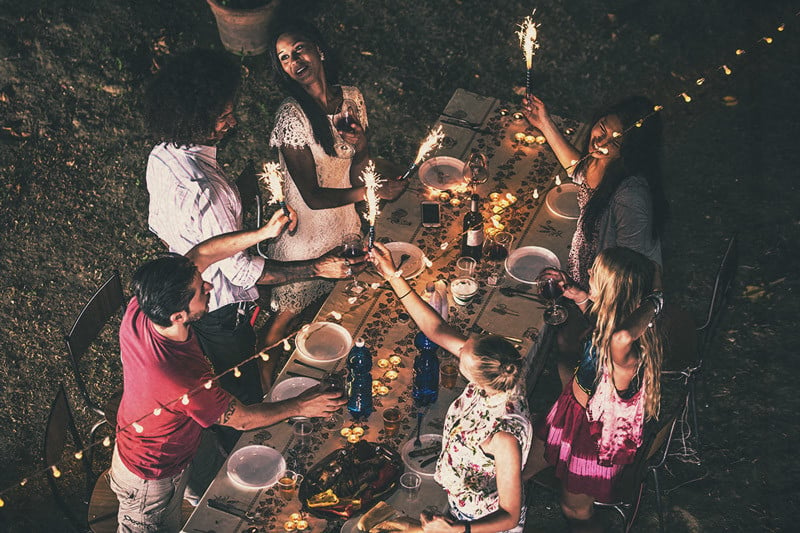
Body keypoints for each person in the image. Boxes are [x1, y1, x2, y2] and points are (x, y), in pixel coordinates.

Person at [144, 48, 361, 404]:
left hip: (189, 288)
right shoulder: (207, 192)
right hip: (221, 310)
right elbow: (247, 275)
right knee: (240, 389)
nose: (232, 123)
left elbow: (166, 226)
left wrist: (248, 227)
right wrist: (317, 267)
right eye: (223, 117)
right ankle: (241, 437)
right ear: (194, 118)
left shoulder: (162, 154)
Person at [110, 212, 347, 533]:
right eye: (200, 289)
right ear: (180, 315)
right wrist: (302, 406)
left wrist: (264, 232)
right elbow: (244, 419)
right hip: (152, 474)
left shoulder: (143, 309)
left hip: (188, 437)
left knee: (214, 501)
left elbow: (203, 254)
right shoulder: (180, 380)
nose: (208, 284)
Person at [370, 242, 532, 533]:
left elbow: (509, 514)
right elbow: (435, 329)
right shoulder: (502, 370)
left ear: (477, 376)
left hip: (483, 522)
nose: (458, 346)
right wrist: (393, 275)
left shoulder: (504, 438)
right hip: (459, 506)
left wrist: (457, 530)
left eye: (463, 353)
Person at [263, 19, 406, 348]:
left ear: (320, 50)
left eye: (299, 50)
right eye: (284, 58)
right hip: (307, 235)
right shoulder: (291, 117)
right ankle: (264, 383)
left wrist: (360, 145)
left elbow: (358, 167)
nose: (295, 61)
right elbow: (311, 197)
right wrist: (370, 192)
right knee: (284, 321)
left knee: (349, 305)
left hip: (346, 225)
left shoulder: (351, 98)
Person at [522, 247, 665, 533]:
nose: (588, 274)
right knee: (521, 465)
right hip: (569, 414)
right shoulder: (613, 323)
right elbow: (605, 321)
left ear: (613, 291)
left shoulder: (625, 354)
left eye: (595, 274)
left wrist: (655, 302)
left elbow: (620, 336)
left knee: (574, 508)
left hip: (592, 439)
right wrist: (578, 295)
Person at [522, 95, 668, 291]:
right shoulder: (602, 161)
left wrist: (586, 297)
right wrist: (545, 123)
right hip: (585, 274)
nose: (600, 142)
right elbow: (578, 169)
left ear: (629, 151)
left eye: (615, 143)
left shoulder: (630, 197)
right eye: (603, 128)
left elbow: (629, 268)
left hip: (607, 289)